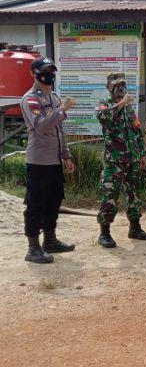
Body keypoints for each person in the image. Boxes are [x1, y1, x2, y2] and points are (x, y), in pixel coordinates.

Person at [19, 57, 76, 263]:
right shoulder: (30, 99)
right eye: (45, 71)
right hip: (38, 161)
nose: (49, 75)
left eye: (52, 71)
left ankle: (50, 240)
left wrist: (66, 155)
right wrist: (61, 110)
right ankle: (33, 247)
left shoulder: (54, 98)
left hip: (55, 161)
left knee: (54, 200)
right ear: (34, 74)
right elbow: (41, 126)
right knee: (36, 204)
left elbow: (59, 130)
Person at [96, 72, 146, 248]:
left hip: (133, 159)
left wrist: (142, 153)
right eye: (116, 85)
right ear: (109, 87)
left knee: (134, 194)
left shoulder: (129, 108)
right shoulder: (104, 104)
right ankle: (104, 233)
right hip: (115, 160)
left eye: (123, 85)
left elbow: (137, 131)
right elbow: (103, 117)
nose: (121, 88)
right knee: (110, 195)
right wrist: (121, 104)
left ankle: (135, 227)